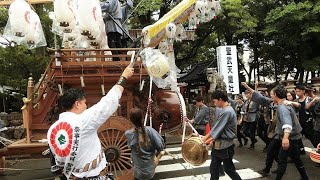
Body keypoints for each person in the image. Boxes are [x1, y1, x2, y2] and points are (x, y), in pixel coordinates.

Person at [47, 65, 134, 179]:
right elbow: (108, 103)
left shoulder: (52, 130)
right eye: (84, 102)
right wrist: (124, 77)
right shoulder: (82, 121)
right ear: (77, 104)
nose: (86, 105)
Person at [242, 82, 309, 180]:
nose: (270, 95)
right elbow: (261, 97)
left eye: (272, 94)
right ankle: (304, 177)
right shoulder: (276, 103)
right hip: (281, 134)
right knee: (273, 151)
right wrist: (248, 87)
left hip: (289, 136)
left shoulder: (283, 107)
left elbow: (287, 124)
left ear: (276, 95)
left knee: (283, 160)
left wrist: (286, 138)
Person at [201, 90, 242, 180]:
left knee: (229, 169)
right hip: (219, 145)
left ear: (220, 100)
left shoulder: (227, 111)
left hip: (225, 146)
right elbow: (218, 129)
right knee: (214, 168)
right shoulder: (226, 110)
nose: (214, 104)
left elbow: (217, 128)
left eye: (215, 101)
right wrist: (212, 140)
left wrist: (204, 138)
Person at [125, 108, 165, 180]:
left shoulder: (128, 134)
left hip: (137, 172)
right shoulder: (150, 131)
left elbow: (129, 147)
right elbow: (160, 146)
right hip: (150, 170)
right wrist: (157, 156)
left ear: (130, 120)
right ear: (142, 118)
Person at [295, 84, 313, 154]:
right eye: (296, 91)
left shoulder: (309, 99)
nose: (297, 93)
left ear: (303, 91)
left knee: (312, 138)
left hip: (308, 122)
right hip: (299, 123)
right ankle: (301, 151)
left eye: (299, 91)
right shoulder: (296, 101)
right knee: (297, 138)